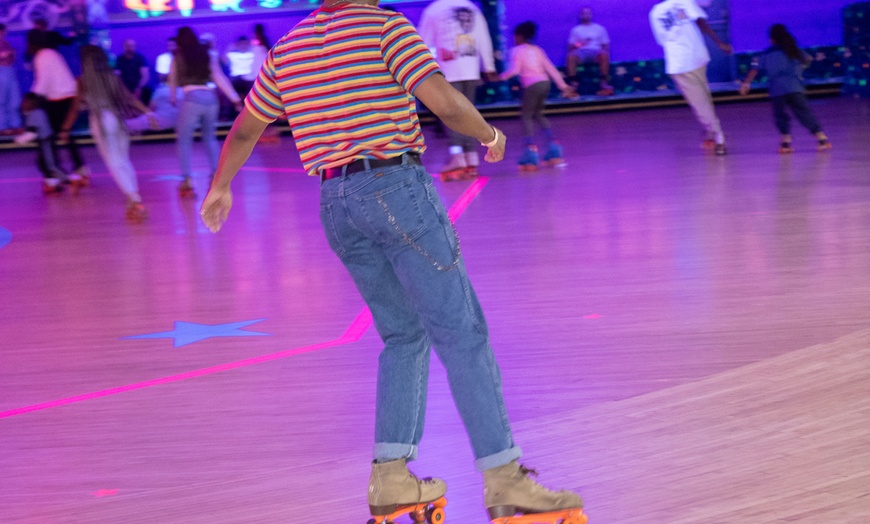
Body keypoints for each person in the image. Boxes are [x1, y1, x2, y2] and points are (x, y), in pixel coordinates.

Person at [199, 2, 587, 523]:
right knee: (461, 330)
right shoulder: (384, 27)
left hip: (335, 204)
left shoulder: (288, 48)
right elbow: (445, 103)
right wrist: (489, 136)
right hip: (394, 187)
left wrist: (221, 185)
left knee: (403, 336)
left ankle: (392, 477)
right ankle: (506, 480)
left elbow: (247, 128)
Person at [61, 45, 155, 222]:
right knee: (123, 161)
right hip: (117, 119)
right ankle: (132, 199)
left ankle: (135, 201)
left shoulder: (82, 81)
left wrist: (65, 129)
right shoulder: (112, 76)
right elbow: (129, 98)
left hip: (101, 122)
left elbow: (75, 108)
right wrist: (148, 113)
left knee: (114, 163)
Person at [418, 0, 497, 180]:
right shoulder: (472, 8)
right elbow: (483, 38)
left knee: (451, 116)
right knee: (469, 115)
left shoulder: (433, 10)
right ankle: (472, 158)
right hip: (471, 70)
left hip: (447, 72)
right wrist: (489, 66)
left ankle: (457, 157)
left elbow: (421, 43)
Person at [649, 0, 732, 155]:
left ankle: (718, 135)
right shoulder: (683, 1)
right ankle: (711, 132)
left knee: (700, 103)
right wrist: (719, 43)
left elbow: (662, 40)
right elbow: (701, 22)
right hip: (697, 56)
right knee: (703, 99)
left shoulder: (655, 12)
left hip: (680, 63)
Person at [169, 26, 242, 198]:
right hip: (210, 100)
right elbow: (219, 77)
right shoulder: (207, 54)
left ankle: (186, 180)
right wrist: (234, 98)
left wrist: (173, 96)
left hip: (191, 99)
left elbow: (172, 79)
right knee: (209, 138)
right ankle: (216, 176)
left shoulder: (177, 57)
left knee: (184, 141)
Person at [739, 24, 832, 154]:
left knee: (781, 116)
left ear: (772, 39)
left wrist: (746, 83)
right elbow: (808, 58)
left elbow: (755, 68)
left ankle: (786, 142)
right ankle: (822, 138)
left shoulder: (768, 53)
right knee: (804, 113)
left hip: (777, 89)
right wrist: (800, 70)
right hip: (795, 87)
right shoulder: (792, 49)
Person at [501, 21, 577, 171]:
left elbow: (515, 70)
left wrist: (501, 77)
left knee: (527, 116)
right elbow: (551, 69)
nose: (514, 39)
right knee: (539, 114)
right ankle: (554, 148)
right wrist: (563, 86)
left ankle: (530, 152)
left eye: (515, 36)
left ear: (520, 36)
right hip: (544, 83)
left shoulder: (516, 50)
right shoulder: (537, 50)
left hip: (532, 85)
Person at [28, 29, 89, 188]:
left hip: (59, 98)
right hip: (66, 96)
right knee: (65, 133)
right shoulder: (52, 53)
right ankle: (80, 168)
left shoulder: (42, 56)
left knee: (50, 137)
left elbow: (43, 81)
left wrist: (31, 97)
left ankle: (54, 175)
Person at [16, 92, 67, 193]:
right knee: (43, 164)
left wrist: (18, 140)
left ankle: (70, 180)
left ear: (31, 102)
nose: (23, 104)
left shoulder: (36, 114)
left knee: (50, 165)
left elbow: (31, 133)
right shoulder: (35, 113)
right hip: (44, 142)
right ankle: (53, 183)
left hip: (46, 142)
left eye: (25, 101)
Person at [565, 6, 614, 96]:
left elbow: (605, 45)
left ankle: (604, 83)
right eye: (584, 13)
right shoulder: (576, 30)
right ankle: (573, 84)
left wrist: (604, 53)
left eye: (588, 13)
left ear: (591, 15)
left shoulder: (600, 28)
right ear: (580, 16)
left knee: (604, 55)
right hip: (581, 53)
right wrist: (580, 44)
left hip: (596, 52)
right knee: (571, 56)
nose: (586, 15)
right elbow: (570, 47)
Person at [0, 23, 22, 134]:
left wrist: (10, 54)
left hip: (10, 70)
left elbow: (11, 58)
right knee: (2, 100)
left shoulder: (6, 43)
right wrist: (3, 55)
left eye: (3, 31)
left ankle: (15, 125)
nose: (2, 33)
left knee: (14, 99)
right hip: (1, 71)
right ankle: (2, 127)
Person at [114, 39, 152, 104]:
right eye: (127, 46)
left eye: (131, 46)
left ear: (135, 46)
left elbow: (145, 76)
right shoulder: (119, 59)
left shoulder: (140, 58)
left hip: (139, 90)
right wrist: (122, 90)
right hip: (123, 91)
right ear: (124, 47)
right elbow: (117, 76)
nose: (129, 48)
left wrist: (139, 88)